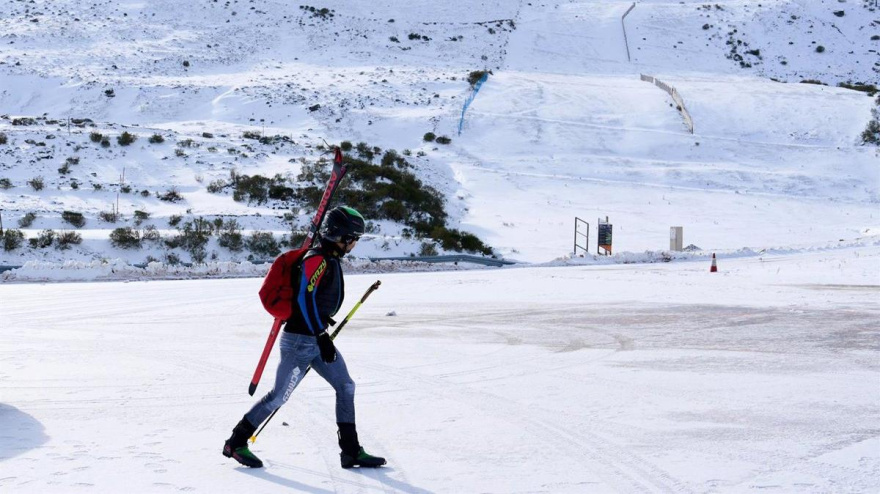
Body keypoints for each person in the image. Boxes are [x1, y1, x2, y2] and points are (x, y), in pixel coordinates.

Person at [223, 206, 386, 469]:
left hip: (316, 339)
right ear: (342, 236)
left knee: (346, 386)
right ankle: (236, 442)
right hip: (300, 341)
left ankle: (351, 451)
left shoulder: (328, 258)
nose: (355, 244)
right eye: (353, 238)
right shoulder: (316, 259)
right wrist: (320, 335)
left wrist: (321, 336)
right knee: (278, 397)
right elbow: (304, 297)